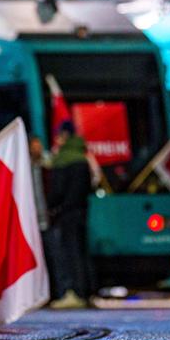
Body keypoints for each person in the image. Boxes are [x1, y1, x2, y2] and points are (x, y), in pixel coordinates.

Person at [45, 121, 95, 309]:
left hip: (66, 213)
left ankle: (74, 293)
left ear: (65, 135)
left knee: (69, 252)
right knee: (81, 251)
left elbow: (57, 190)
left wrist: (52, 206)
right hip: (82, 210)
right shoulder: (83, 158)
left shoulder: (63, 159)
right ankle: (86, 291)